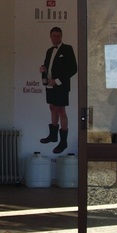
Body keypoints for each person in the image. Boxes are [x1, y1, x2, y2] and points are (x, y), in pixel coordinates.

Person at [39, 26, 77, 154]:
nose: (56, 38)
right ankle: (53, 135)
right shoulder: (49, 51)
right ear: (50, 37)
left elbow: (73, 68)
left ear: (61, 36)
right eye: (53, 35)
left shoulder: (67, 49)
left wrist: (58, 81)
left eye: (58, 35)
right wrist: (43, 71)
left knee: (60, 110)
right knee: (52, 107)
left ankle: (63, 141)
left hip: (61, 85)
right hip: (50, 84)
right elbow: (47, 66)